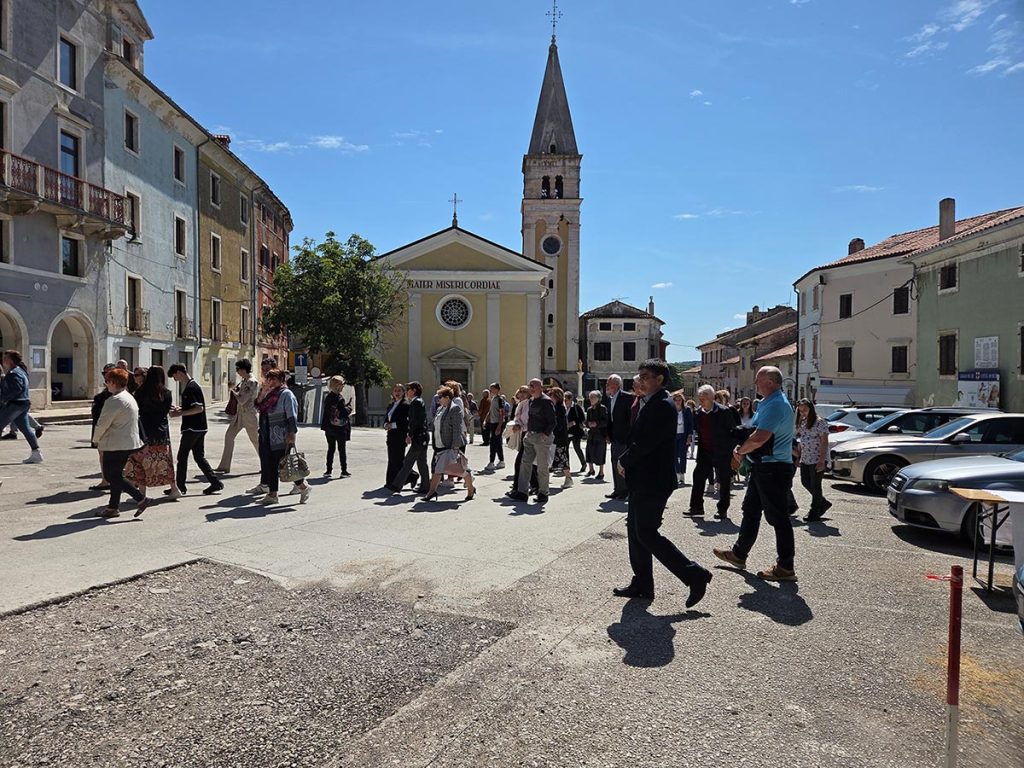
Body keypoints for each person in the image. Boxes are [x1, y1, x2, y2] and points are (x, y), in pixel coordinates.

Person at [613, 360, 712, 608]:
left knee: (646, 532)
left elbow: (646, 443)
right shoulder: (652, 402)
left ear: (659, 379)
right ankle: (643, 583)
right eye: (640, 375)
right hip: (642, 479)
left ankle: (694, 575)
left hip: (653, 481)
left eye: (645, 376)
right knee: (635, 531)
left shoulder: (663, 406)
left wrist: (624, 459)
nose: (640, 380)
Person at [714, 366, 798, 581]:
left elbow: (760, 437)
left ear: (770, 382)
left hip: (773, 467)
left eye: (759, 380)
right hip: (763, 466)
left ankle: (786, 567)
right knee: (750, 510)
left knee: (778, 518)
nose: (755, 383)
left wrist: (740, 451)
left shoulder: (776, 404)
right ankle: (739, 554)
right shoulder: (769, 402)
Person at [92, 366, 150, 518]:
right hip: (127, 442)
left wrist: (95, 439)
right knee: (116, 474)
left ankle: (140, 498)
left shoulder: (114, 401)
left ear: (113, 382)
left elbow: (103, 423)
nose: (106, 384)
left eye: (107, 381)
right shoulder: (129, 397)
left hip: (114, 443)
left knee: (112, 476)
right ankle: (113, 507)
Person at [250, 367, 309, 505]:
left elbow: (291, 416)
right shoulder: (271, 394)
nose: (270, 381)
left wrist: (291, 434)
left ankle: (303, 487)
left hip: (281, 435)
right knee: (272, 465)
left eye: (274, 379)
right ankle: (273, 494)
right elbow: (258, 406)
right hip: (268, 434)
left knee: (285, 465)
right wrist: (263, 391)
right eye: (269, 378)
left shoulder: (286, 394)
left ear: (281, 380)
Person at [167, 363, 223, 496]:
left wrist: (179, 413)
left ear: (179, 372)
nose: (175, 380)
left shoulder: (190, 388)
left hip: (192, 428)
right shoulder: (192, 386)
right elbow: (193, 407)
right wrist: (180, 409)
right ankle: (215, 483)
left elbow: (199, 408)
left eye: (175, 377)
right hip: (199, 428)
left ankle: (180, 486)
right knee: (198, 456)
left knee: (182, 456)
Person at [124, 365, 178, 499]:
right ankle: (174, 488)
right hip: (162, 432)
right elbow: (166, 411)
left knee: (140, 463)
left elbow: (135, 411)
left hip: (144, 432)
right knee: (165, 462)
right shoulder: (167, 393)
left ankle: (142, 493)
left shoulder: (141, 392)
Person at [688, 384, 740, 519]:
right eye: (699, 398)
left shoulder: (724, 412)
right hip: (705, 452)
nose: (701, 401)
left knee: (724, 481)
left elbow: (734, 431)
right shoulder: (698, 413)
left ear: (711, 398)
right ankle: (696, 507)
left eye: (704, 398)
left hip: (722, 452)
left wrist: (732, 450)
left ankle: (722, 509)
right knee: (698, 478)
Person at [423, 386, 476, 501]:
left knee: (442, 469)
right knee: (451, 470)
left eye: (440, 397)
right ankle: (470, 487)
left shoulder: (455, 409)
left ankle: (431, 492)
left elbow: (457, 428)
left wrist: (455, 446)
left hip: (450, 445)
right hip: (440, 444)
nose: (438, 399)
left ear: (447, 397)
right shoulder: (440, 409)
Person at [507, 378, 556, 503]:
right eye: (530, 386)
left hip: (541, 437)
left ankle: (543, 493)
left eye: (533, 385)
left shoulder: (546, 401)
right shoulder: (531, 401)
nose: (531, 388)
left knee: (542, 467)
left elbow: (552, 421)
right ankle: (522, 492)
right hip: (530, 436)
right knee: (525, 464)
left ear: (540, 387)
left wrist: (545, 434)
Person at [214, 359, 260, 474]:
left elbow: (242, 400)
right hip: (240, 414)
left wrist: (233, 391)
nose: (237, 372)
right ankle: (224, 466)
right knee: (229, 435)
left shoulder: (251, 381)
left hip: (249, 415)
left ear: (243, 369)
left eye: (238, 369)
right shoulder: (244, 380)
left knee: (256, 441)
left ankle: (267, 463)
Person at [0, 350, 42, 464]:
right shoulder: (20, 371)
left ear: (10, 360)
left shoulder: (14, 373)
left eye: (5, 358)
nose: (3, 360)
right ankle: (36, 453)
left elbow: (16, 389)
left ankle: (36, 453)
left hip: (15, 403)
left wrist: (4, 399)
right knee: (25, 428)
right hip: (23, 403)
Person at [388, 381, 430, 493]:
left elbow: (414, 421)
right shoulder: (419, 401)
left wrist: (410, 435)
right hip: (423, 436)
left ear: (414, 390)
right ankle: (425, 486)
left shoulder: (415, 403)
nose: (407, 392)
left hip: (418, 436)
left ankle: (396, 485)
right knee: (421, 463)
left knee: (408, 462)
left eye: (408, 390)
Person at [795, 398, 831, 522]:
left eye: (805, 410)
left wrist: (821, 460)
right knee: (805, 482)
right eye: (800, 411)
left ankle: (814, 511)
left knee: (816, 486)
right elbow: (802, 440)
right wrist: (799, 457)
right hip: (806, 458)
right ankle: (823, 502)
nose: (803, 413)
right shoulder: (803, 422)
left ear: (811, 408)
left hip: (817, 458)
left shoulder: (819, 422)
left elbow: (824, 441)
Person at [603, 374, 634, 501]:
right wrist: (608, 435)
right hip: (614, 438)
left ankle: (625, 490)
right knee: (614, 463)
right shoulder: (610, 399)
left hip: (624, 438)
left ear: (616, 385)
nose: (607, 386)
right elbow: (610, 419)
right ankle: (617, 489)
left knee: (622, 465)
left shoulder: (627, 397)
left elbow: (631, 418)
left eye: (608, 383)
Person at [319, 375, 352, 478]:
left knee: (331, 449)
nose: (343, 387)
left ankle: (328, 470)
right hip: (339, 428)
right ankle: (344, 471)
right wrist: (349, 407)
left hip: (329, 427)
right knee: (342, 449)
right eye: (342, 385)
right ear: (337, 386)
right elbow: (343, 412)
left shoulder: (328, 397)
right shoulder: (339, 398)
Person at [384, 382, 409, 487]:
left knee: (398, 460)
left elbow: (405, 422)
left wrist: (392, 425)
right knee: (391, 459)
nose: (397, 393)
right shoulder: (391, 404)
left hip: (400, 435)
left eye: (399, 390)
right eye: (395, 390)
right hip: (391, 435)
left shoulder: (405, 405)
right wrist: (386, 424)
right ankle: (390, 481)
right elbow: (387, 418)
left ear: (404, 393)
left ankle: (411, 476)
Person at [549, 387, 572, 488]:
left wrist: (553, 432)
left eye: (551, 395)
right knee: (553, 459)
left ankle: (568, 478)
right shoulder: (555, 406)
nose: (550, 397)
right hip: (556, 437)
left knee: (562, 458)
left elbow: (559, 424)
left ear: (556, 397)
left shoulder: (560, 408)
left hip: (559, 438)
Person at [484, 383, 508, 471]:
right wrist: (486, 419)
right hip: (493, 422)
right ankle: (501, 460)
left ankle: (491, 462)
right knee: (497, 443)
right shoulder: (493, 399)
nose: (491, 391)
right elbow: (491, 411)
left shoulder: (500, 399)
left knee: (493, 443)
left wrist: (499, 426)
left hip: (498, 423)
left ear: (497, 389)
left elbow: (502, 413)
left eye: (492, 389)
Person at [672, 391, 694, 486]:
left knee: (683, 455)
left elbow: (690, 424)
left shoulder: (687, 410)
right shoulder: (671, 410)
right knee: (674, 456)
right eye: (676, 400)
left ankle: (682, 474)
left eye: (679, 400)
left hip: (683, 435)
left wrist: (689, 436)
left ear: (682, 400)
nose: (677, 402)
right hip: (673, 436)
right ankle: (677, 474)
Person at [584, 390, 608, 478]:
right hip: (591, 434)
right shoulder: (589, 409)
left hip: (600, 434)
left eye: (593, 397)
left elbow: (605, 421)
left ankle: (601, 472)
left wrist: (596, 423)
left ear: (598, 399)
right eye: (590, 397)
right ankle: (591, 469)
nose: (591, 399)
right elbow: (587, 422)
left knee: (600, 452)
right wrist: (587, 424)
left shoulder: (602, 408)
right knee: (589, 451)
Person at [564, 391, 587, 470]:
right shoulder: (563, 407)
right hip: (566, 431)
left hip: (576, 432)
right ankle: (566, 466)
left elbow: (582, 418)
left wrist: (573, 422)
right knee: (565, 449)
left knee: (577, 448)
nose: (565, 401)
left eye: (566, 400)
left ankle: (583, 463)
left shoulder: (577, 407)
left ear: (570, 399)